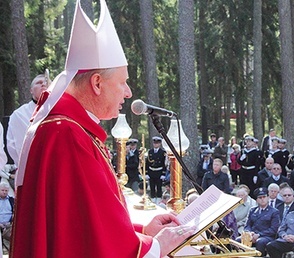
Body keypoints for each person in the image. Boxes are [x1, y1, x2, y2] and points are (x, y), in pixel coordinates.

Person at [11, 1, 194, 257]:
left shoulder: (66, 127)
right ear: (97, 83)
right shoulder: (67, 135)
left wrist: (143, 230)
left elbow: (82, 226)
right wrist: (157, 247)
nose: (128, 93)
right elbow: (85, 240)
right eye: (122, 83)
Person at [6, 73, 50, 166]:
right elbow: (13, 146)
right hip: (28, 167)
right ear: (31, 90)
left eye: (46, 82)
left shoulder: (61, 111)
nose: (43, 84)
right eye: (39, 82)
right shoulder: (19, 115)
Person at [238, 187, 280, 257]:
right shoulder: (252, 210)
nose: (262, 199)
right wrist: (249, 233)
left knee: (260, 242)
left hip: (266, 236)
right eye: (260, 198)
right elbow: (247, 225)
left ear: (268, 198)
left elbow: (273, 229)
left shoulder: (274, 212)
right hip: (252, 235)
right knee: (238, 240)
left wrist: (259, 235)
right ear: (257, 200)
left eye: (264, 197)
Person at [146, 136, 168, 201]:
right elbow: (147, 163)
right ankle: (152, 199)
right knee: (152, 187)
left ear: (160, 144)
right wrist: (146, 173)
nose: (155, 144)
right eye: (154, 143)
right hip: (151, 172)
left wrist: (163, 174)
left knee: (159, 187)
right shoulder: (150, 151)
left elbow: (164, 164)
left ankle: (158, 200)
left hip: (159, 172)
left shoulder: (163, 152)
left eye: (157, 143)